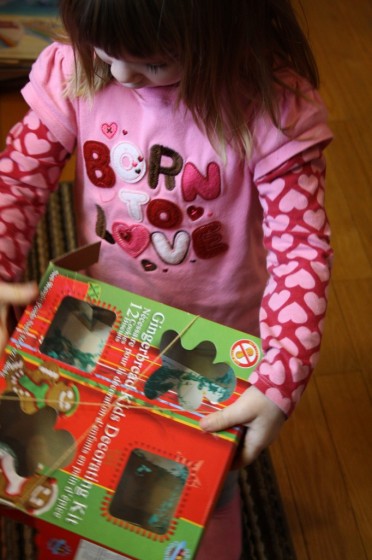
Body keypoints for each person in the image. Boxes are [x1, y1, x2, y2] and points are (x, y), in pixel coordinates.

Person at [0, 1, 333, 558]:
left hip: (214, 347)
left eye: (152, 64)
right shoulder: (80, 68)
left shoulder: (271, 106)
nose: (121, 74)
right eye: (106, 50)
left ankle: (213, 507)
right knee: (88, 435)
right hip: (102, 322)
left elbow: (300, 246)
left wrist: (282, 375)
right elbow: (17, 180)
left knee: (197, 469)